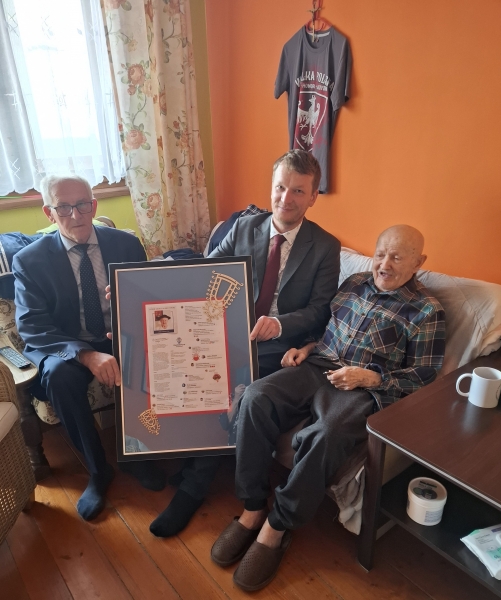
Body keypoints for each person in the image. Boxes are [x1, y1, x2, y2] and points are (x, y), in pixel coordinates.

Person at [211, 224, 446, 592]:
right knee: (256, 396)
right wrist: (305, 348)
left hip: (359, 388)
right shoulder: (354, 282)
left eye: (397, 258)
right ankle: (253, 507)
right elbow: (324, 326)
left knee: (327, 433)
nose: (385, 264)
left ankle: (277, 525)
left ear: (419, 262)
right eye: (380, 254)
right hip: (316, 366)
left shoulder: (427, 310)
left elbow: (424, 375)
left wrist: (372, 378)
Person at [149, 150, 342, 538]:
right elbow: (206, 269)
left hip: (278, 346)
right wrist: (149, 279)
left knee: (223, 383)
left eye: (298, 191)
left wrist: (280, 323)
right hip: (226, 331)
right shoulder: (245, 227)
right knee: (179, 360)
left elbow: (321, 310)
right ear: (271, 187)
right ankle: (180, 457)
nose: (286, 198)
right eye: (280, 187)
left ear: (313, 196)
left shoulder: (325, 246)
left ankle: (193, 489)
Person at [12, 174, 165, 521]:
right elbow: (32, 326)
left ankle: (137, 456)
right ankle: (98, 470)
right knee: (59, 376)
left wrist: (133, 295)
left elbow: (152, 300)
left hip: (119, 334)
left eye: (82, 204)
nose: (76, 214)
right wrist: (86, 354)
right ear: (49, 212)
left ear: (94, 206)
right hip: (66, 342)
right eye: (64, 207)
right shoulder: (30, 260)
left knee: (144, 355)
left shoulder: (126, 244)